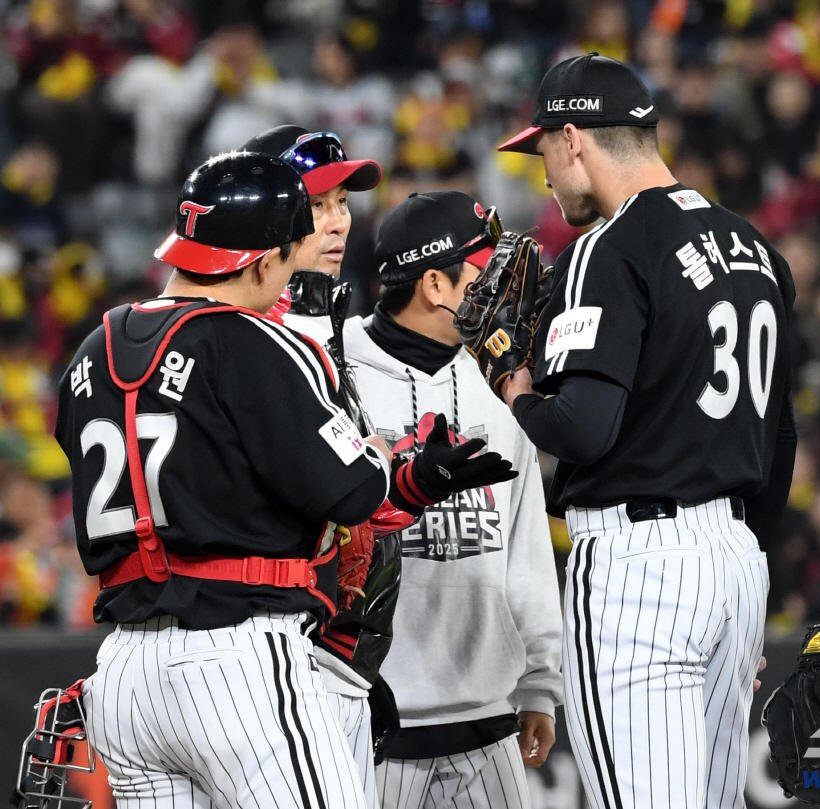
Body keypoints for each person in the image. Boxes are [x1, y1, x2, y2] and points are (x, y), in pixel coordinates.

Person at [54, 151, 517, 809]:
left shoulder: (93, 348)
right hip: (235, 657)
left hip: (124, 673)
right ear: (264, 261)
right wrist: (394, 465)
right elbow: (354, 490)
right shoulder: (252, 340)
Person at [496, 54, 796, 809]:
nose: (544, 175)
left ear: (573, 138)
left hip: (640, 570)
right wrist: (744, 584)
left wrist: (515, 390)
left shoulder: (607, 247)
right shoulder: (754, 247)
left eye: (542, 151)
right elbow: (782, 438)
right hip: (735, 558)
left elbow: (581, 430)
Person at [350, 190, 562, 809]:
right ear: (435, 284)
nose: (501, 291)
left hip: (489, 718)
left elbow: (525, 544)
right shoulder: (337, 374)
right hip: (370, 718)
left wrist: (540, 682)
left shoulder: (502, 380)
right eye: (484, 273)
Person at [241, 125, 401, 809]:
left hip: (331, 655)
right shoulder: (257, 328)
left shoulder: (317, 315)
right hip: (282, 654)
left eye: (343, 204)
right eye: (318, 204)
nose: (338, 222)